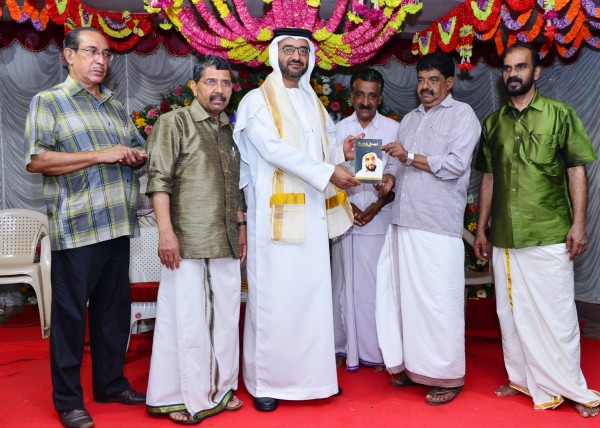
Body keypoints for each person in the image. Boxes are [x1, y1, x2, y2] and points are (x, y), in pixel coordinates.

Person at [25, 27, 147, 428]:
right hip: (77, 228)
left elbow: (134, 149)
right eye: (92, 51)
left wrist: (135, 156)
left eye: (106, 54)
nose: (100, 60)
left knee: (113, 314)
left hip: (118, 224)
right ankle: (68, 401)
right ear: (68, 56)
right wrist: (101, 155)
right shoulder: (49, 102)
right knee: (71, 319)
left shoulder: (114, 105)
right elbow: (37, 160)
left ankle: (110, 385)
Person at [233, 27, 360, 412]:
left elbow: (320, 150)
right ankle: (267, 382)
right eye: (288, 49)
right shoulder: (257, 100)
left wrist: (341, 152)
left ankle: (314, 380)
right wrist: (328, 172)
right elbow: (274, 151)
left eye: (302, 51)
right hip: (274, 216)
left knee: (312, 298)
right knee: (275, 299)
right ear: (276, 54)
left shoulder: (312, 101)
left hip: (311, 214)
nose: (296, 57)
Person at [473, 43, 600, 418]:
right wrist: (481, 229)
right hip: (505, 236)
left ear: (536, 72)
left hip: (548, 231)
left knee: (557, 316)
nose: (512, 74)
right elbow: (488, 177)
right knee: (511, 315)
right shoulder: (493, 123)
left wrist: (579, 224)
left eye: (520, 67)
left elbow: (577, 170)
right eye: (507, 68)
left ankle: (572, 388)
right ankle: (523, 380)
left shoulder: (561, 115)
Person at [144, 56, 246, 425]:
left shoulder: (231, 132)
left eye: (225, 83)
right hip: (186, 242)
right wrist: (165, 233)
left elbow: (237, 186)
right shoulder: (175, 122)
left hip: (226, 240)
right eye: (210, 82)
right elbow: (158, 180)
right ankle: (177, 397)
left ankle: (220, 388)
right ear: (194, 86)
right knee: (185, 321)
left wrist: (242, 228)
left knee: (225, 320)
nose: (219, 90)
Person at [375, 52, 481, 405]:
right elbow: (396, 163)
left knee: (439, 303)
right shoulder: (408, 119)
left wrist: (407, 157)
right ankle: (414, 366)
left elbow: (454, 165)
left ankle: (447, 375)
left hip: (437, 225)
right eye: (421, 80)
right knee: (408, 303)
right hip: (404, 221)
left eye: (433, 80)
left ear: (449, 83)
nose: (426, 86)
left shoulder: (463, 116)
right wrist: (389, 178)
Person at [331, 68, 398, 371]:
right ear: (352, 96)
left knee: (374, 287)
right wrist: (348, 205)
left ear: (380, 98)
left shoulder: (394, 129)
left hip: (378, 220)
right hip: (344, 220)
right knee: (342, 285)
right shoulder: (338, 130)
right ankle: (343, 347)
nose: (366, 101)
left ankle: (377, 351)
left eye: (372, 95)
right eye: (360, 94)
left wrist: (376, 204)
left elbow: (398, 176)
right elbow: (327, 173)